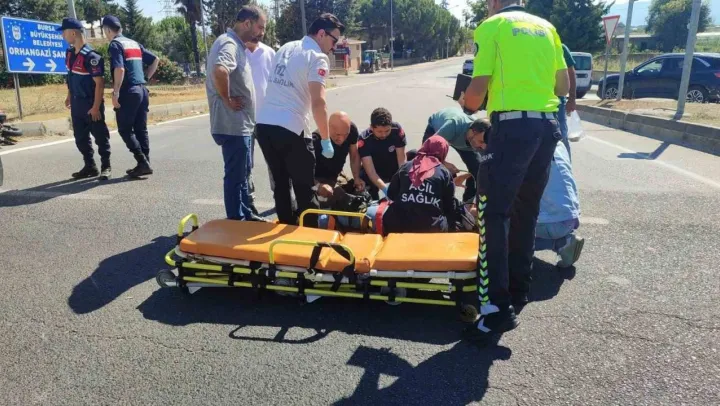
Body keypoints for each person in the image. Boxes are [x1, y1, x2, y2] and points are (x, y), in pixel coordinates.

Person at [460, 0, 570, 340]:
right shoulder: (547, 28)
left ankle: (496, 309)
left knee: (492, 214)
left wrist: (467, 102)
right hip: (546, 128)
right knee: (526, 209)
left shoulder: (492, 27)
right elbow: (563, 87)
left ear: (494, 2)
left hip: (511, 129)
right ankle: (519, 288)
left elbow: (476, 94)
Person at [256, 13, 345, 225]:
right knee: (305, 187)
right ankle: (310, 236)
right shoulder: (317, 57)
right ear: (321, 34)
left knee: (280, 184)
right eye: (334, 41)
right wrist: (326, 139)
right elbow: (318, 103)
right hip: (291, 128)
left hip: (264, 125)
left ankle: (287, 227)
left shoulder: (286, 47)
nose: (334, 47)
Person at [205, 6, 266, 222]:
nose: (262, 33)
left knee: (243, 174)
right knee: (236, 175)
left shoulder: (237, 45)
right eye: (260, 27)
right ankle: (236, 220)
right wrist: (227, 99)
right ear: (247, 23)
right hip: (233, 125)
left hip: (242, 125)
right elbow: (220, 70)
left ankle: (246, 215)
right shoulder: (229, 43)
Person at [101, 15, 159, 178]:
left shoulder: (115, 44)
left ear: (107, 30)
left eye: (104, 31)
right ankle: (145, 163)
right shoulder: (133, 43)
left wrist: (116, 92)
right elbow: (155, 59)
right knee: (141, 129)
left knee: (125, 129)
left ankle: (142, 162)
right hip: (142, 90)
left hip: (128, 91)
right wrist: (146, 77)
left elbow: (119, 69)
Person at [58, 18, 112, 180]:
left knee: (100, 136)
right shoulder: (70, 53)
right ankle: (90, 166)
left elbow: (99, 83)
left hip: (90, 103)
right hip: (77, 103)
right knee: (80, 138)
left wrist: (95, 107)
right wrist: (69, 96)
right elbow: (71, 77)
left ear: (73, 33)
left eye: (64, 32)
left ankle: (106, 166)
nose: (62, 36)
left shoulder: (91, 56)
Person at [380, 135, 458, 235]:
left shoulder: (405, 167)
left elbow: (391, 194)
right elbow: (450, 206)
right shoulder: (444, 173)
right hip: (431, 229)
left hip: (397, 225)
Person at [423, 107, 491, 202]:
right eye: (481, 141)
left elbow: (487, 168)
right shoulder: (452, 126)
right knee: (428, 164)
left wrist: (466, 175)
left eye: (485, 143)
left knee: (478, 169)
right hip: (438, 129)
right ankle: (429, 199)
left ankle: (467, 204)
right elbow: (427, 153)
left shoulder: (482, 140)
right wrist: (444, 164)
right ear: (473, 132)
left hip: (462, 141)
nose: (482, 147)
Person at [535, 142, 584, 267]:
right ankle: (563, 242)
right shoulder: (559, 144)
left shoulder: (527, 146)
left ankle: (559, 244)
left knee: (500, 235)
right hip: (569, 217)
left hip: (551, 221)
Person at [245, 26, 276, 215]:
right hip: (244, 121)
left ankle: (281, 198)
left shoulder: (269, 53)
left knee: (275, 162)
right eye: (257, 28)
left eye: (262, 29)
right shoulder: (236, 52)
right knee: (246, 165)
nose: (260, 33)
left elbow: (278, 84)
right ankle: (249, 204)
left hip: (268, 119)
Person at [313, 111, 364, 203]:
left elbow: (354, 156)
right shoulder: (315, 140)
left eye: (346, 135)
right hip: (317, 179)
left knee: (360, 194)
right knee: (342, 198)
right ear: (328, 127)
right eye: (338, 134)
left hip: (336, 175)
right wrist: (318, 186)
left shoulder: (352, 130)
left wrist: (356, 177)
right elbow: (301, 172)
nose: (342, 139)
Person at [358, 107, 407, 200]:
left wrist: (403, 182)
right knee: (363, 177)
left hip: (393, 168)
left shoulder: (397, 130)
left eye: (387, 131)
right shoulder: (364, 139)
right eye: (380, 131)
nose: (384, 135)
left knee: (413, 156)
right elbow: (371, 172)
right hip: (376, 171)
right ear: (371, 127)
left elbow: (401, 161)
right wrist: (385, 189)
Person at [557, 44, 577, 159]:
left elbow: (571, 73)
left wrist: (572, 99)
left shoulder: (560, 47)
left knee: (562, 138)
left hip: (558, 103)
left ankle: (566, 168)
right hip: (535, 103)